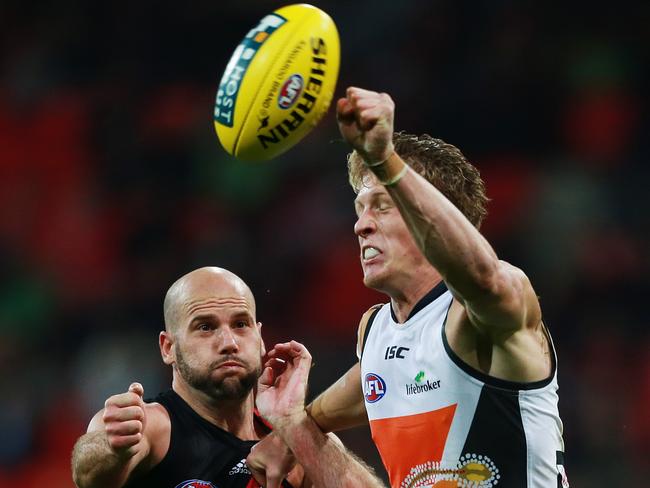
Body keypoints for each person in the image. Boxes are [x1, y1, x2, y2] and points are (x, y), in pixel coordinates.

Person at [252, 87, 569, 488]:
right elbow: (368, 386)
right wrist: (291, 427)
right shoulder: (376, 333)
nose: (360, 225)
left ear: (429, 213)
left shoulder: (487, 309)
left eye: (382, 205)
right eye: (359, 209)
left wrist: (385, 160)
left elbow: (483, 277)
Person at [71, 266, 386, 488]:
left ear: (260, 338)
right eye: (205, 327)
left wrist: (295, 424)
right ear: (168, 348)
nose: (229, 343)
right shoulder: (152, 426)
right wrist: (113, 447)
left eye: (240, 324)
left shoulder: (294, 440)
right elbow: (89, 472)